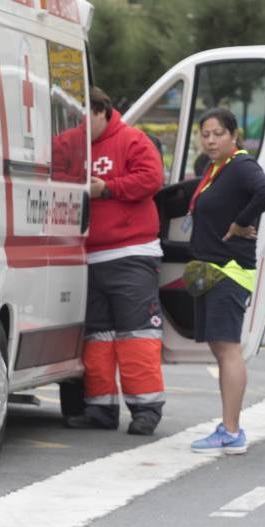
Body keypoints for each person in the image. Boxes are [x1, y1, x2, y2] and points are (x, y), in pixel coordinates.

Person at [63, 87, 165, 435]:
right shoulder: (73, 143)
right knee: (98, 338)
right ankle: (101, 408)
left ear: (102, 111)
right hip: (89, 257)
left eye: (85, 118)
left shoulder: (132, 140)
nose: (81, 127)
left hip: (131, 253)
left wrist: (106, 188)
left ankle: (146, 410)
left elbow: (152, 179)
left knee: (136, 336)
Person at [184, 107, 265, 455]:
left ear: (234, 135)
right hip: (211, 270)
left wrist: (241, 222)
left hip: (229, 271)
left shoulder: (241, 166)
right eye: (205, 134)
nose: (210, 140)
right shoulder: (215, 169)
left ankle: (232, 431)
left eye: (218, 134)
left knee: (228, 350)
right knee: (220, 349)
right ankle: (228, 427)